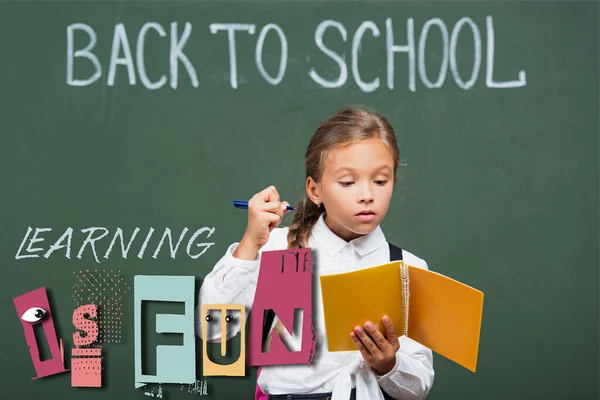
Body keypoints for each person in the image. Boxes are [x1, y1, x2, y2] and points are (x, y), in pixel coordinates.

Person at [197, 106, 434, 400]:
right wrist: (249, 244)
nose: (367, 194)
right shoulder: (278, 250)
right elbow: (213, 330)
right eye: (348, 182)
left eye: (380, 181)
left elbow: (419, 386)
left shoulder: (406, 268)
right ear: (315, 190)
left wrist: (389, 364)